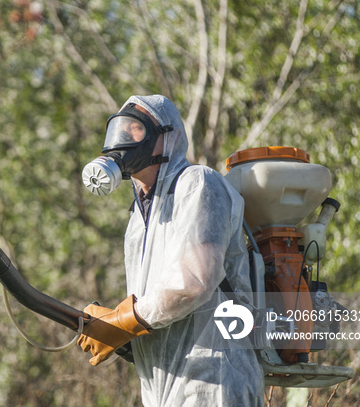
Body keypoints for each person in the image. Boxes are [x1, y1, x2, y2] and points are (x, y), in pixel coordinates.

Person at [78, 94, 264, 406]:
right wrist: (119, 332)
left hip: (215, 383)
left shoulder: (197, 184)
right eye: (118, 130)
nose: (123, 139)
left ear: (169, 137)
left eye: (135, 130)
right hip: (162, 390)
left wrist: (124, 321)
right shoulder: (137, 218)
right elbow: (156, 307)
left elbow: (195, 281)